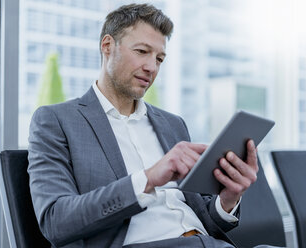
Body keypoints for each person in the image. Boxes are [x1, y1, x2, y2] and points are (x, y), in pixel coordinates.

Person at [28, 3, 275, 248]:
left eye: (159, 58)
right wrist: (148, 179)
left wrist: (228, 199)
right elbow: (56, 221)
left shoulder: (172, 124)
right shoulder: (57, 121)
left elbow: (205, 220)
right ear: (107, 46)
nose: (151, 67)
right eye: (142, 51)